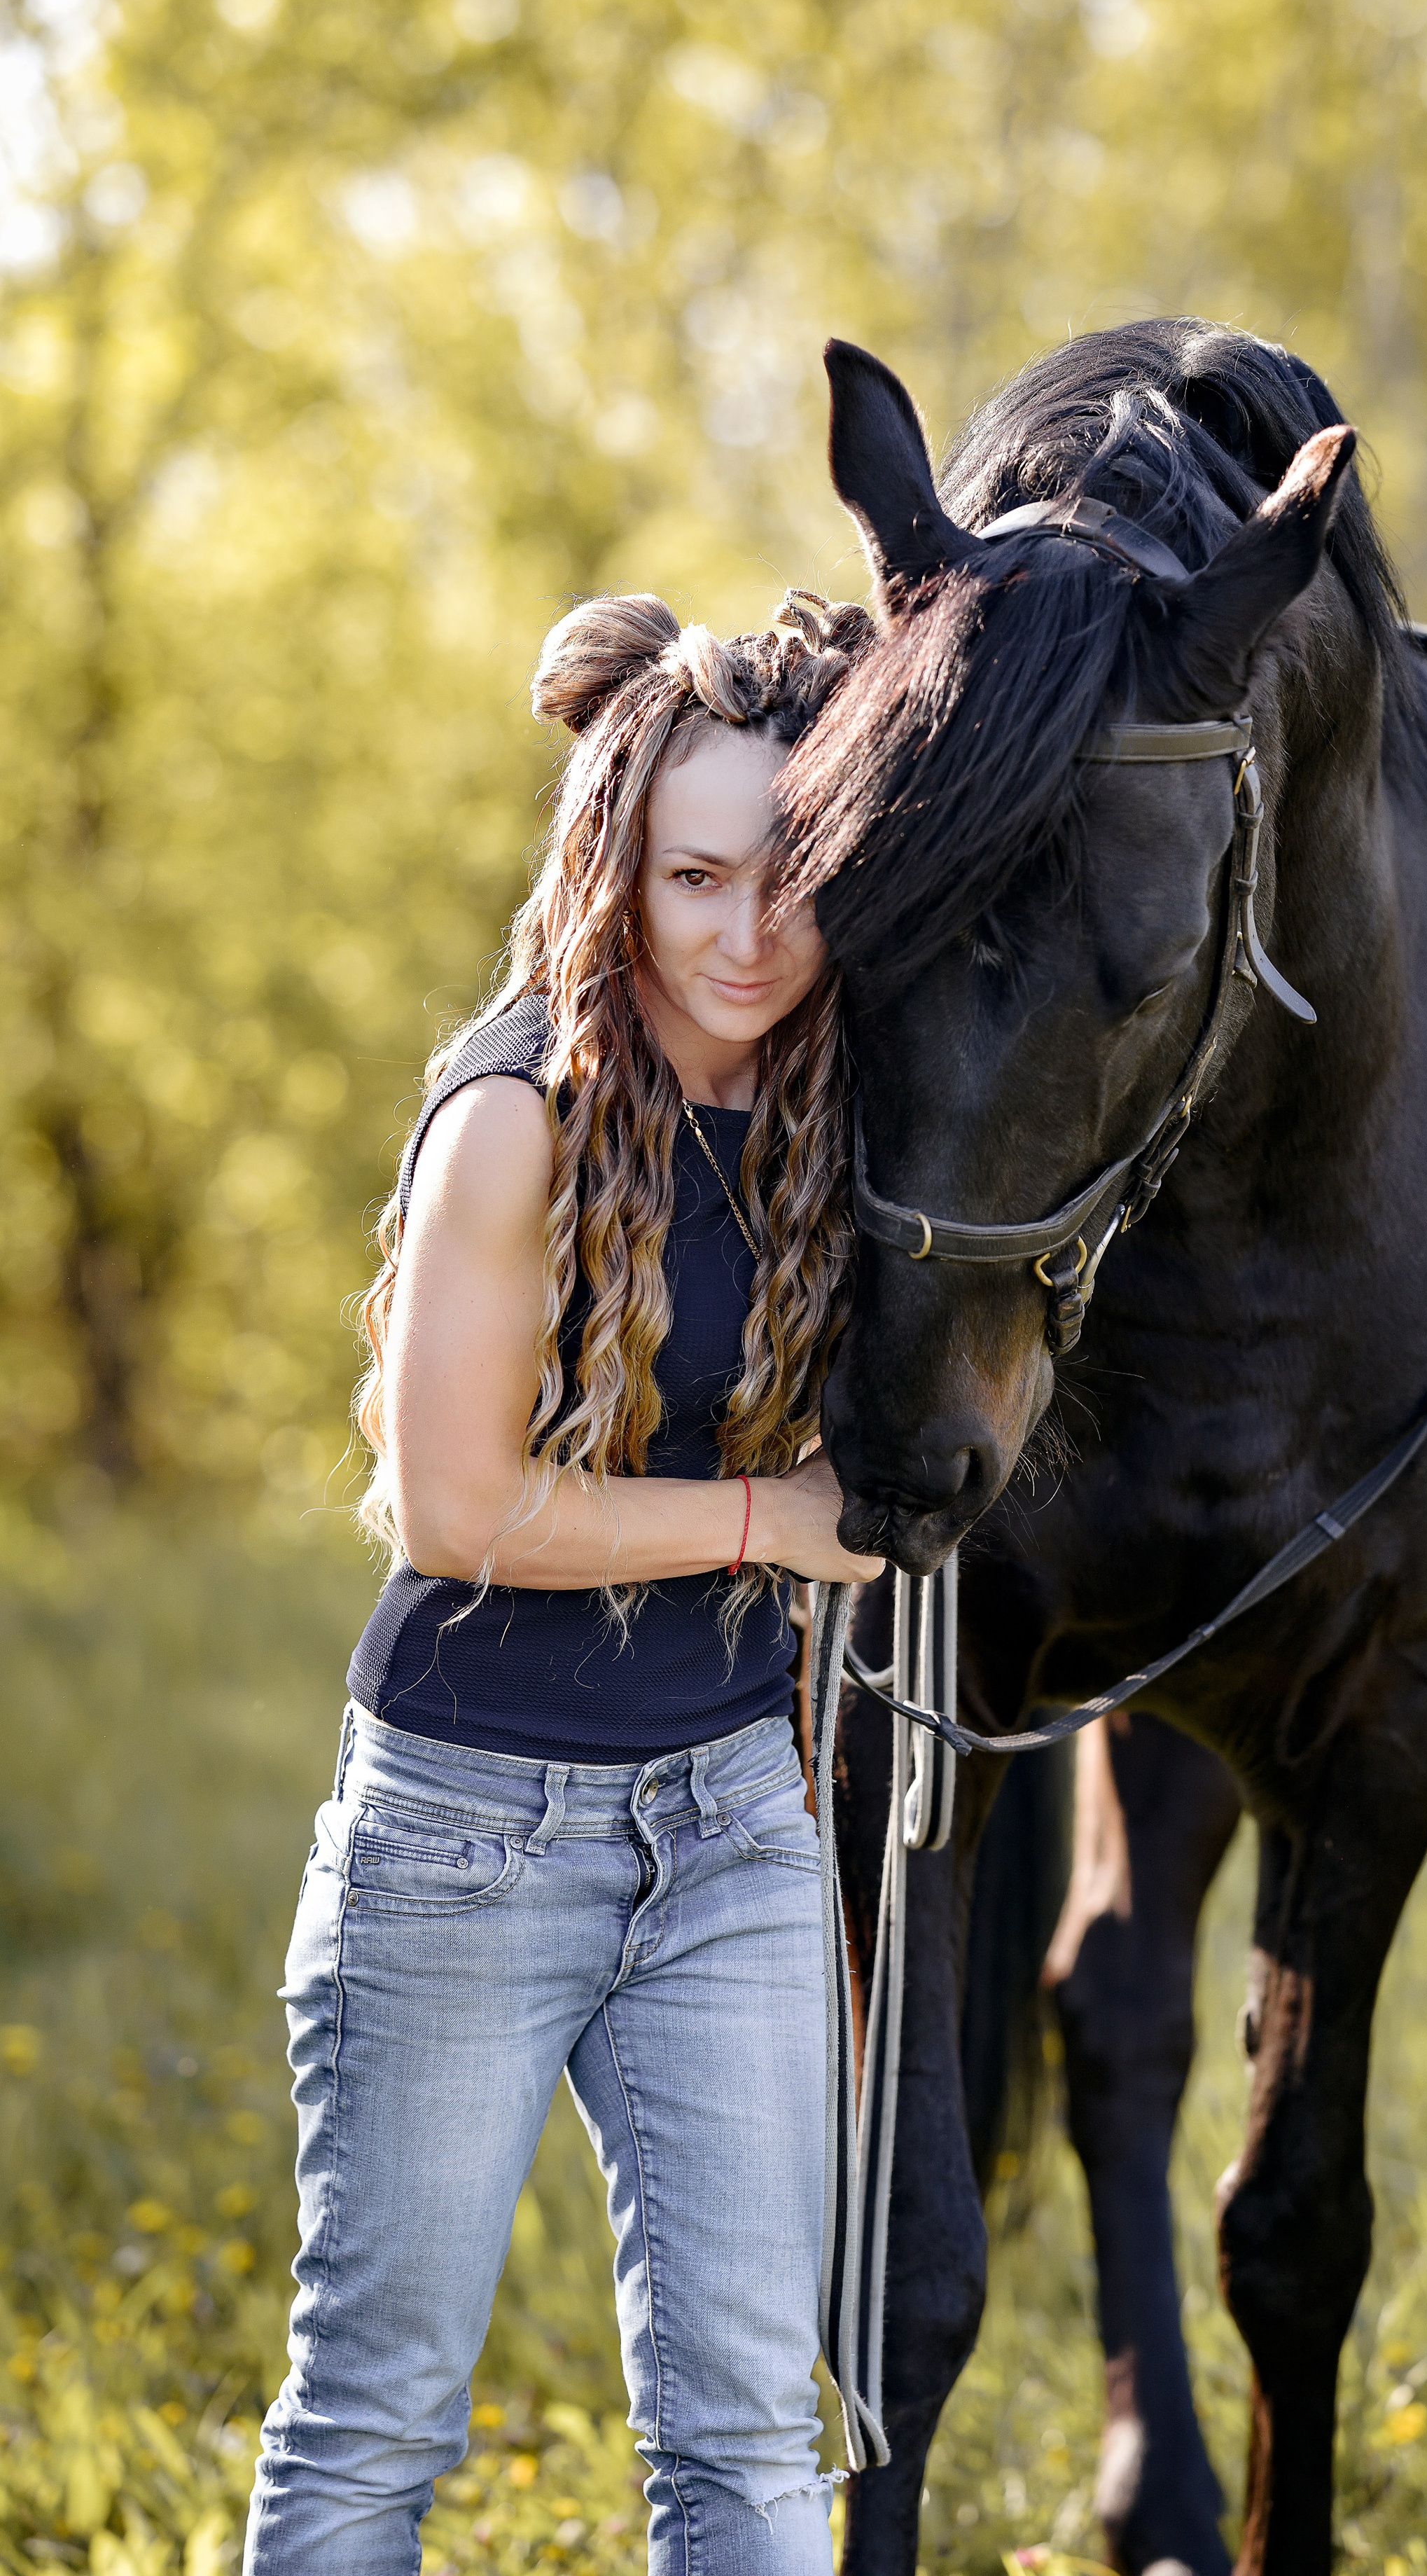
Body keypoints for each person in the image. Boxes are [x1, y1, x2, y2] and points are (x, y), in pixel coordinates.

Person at [244, 589, 884, 2576]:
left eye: (792, 876)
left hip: (737, 1822)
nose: (747, 932)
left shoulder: (840, 1109)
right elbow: (451, 1505)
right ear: (617, 866)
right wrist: (774, 1521)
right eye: (696, 878)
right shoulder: (515, 1111)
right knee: (376, 2418)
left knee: (753, 2436)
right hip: (466, 1827)